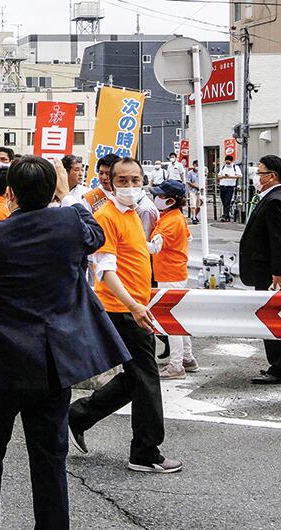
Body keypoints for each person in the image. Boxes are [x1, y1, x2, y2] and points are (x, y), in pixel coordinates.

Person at [0, 156, 129, 529]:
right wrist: (66, 196)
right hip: (50, 362)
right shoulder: (70, 224)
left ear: (10, 193)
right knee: (49, 460)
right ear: (52, 191)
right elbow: (95, 233)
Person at [70, 156, 182, 474]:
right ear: (110, 182)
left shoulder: (131, 212)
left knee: (137, 378)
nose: (130, 186)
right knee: (146, 379)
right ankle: (145, 452)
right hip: (123, 309)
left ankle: (79, 414)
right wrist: (133, 305)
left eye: (135, 180)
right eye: (123, 180)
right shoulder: (107, 216)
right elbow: (105, 271)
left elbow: (131, 254)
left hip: (133, 306)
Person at [240, 155, 281, 385]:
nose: (257, 177)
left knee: (275, 318)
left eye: (260, 173)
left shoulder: (276, 200)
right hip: (269, 271)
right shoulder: (271, 197)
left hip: (273, 275)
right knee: (273, 318)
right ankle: (280, 365)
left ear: (272, 176)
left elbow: (280, 240)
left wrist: (278, 273)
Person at [148, 180, 197, 379]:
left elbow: (154, 248)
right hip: (176, 272)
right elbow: (189, 238)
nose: (156, 198)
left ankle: (176, 365)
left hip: (169, 274)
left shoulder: (170, 221)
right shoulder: (175, 216)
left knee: (170, 321)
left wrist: (131, 242)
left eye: (161, 196)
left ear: (171, 200)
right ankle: (187, 358)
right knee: (178, 317)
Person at [83, 154, 159, 240]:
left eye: (135, 180)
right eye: (122, 181)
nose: (104, 177)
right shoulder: (101, 211)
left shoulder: (133, 208)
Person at [217, 155, 241, 222]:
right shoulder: (223, 167)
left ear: (232, 161)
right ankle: (225, 215)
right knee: (223, 202)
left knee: (227, 202)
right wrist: (223, 177)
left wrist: (230, 176)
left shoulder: (235, 167)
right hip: (222, 186)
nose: (227, 164)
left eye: (228, 163)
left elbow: (239, 175)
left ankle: (226, 216)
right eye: (226, 162)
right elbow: (218, 176)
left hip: (230, 187)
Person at [186, 160, 201, 224]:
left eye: (198, 164)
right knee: (193, 205)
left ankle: (194, 215)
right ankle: (194, 218)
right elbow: (188, 182)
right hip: (192, 191)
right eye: (196, 164)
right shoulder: (190, 173)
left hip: (200, 191)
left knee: (199, 206)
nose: (197, 166)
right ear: (194, 165)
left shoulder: (201, 172)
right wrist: (196, 187)